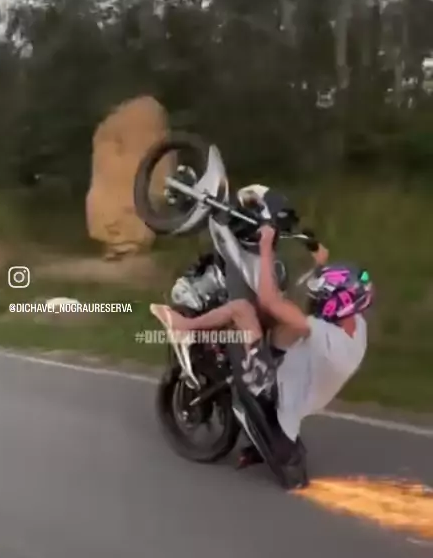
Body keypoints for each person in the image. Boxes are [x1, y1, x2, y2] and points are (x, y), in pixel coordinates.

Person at [150, 190, 373, 470]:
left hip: (270, 388)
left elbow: (269, 300)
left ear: (335, 304)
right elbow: (332, 296)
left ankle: (184, 326)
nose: (316, 299)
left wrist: (266, 245)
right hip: (301, 387)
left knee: (243, 309)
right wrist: (319, 258)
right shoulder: (356, 328)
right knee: (282, 315)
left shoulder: (320, 333)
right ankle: (237, 344)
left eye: (322, 297)